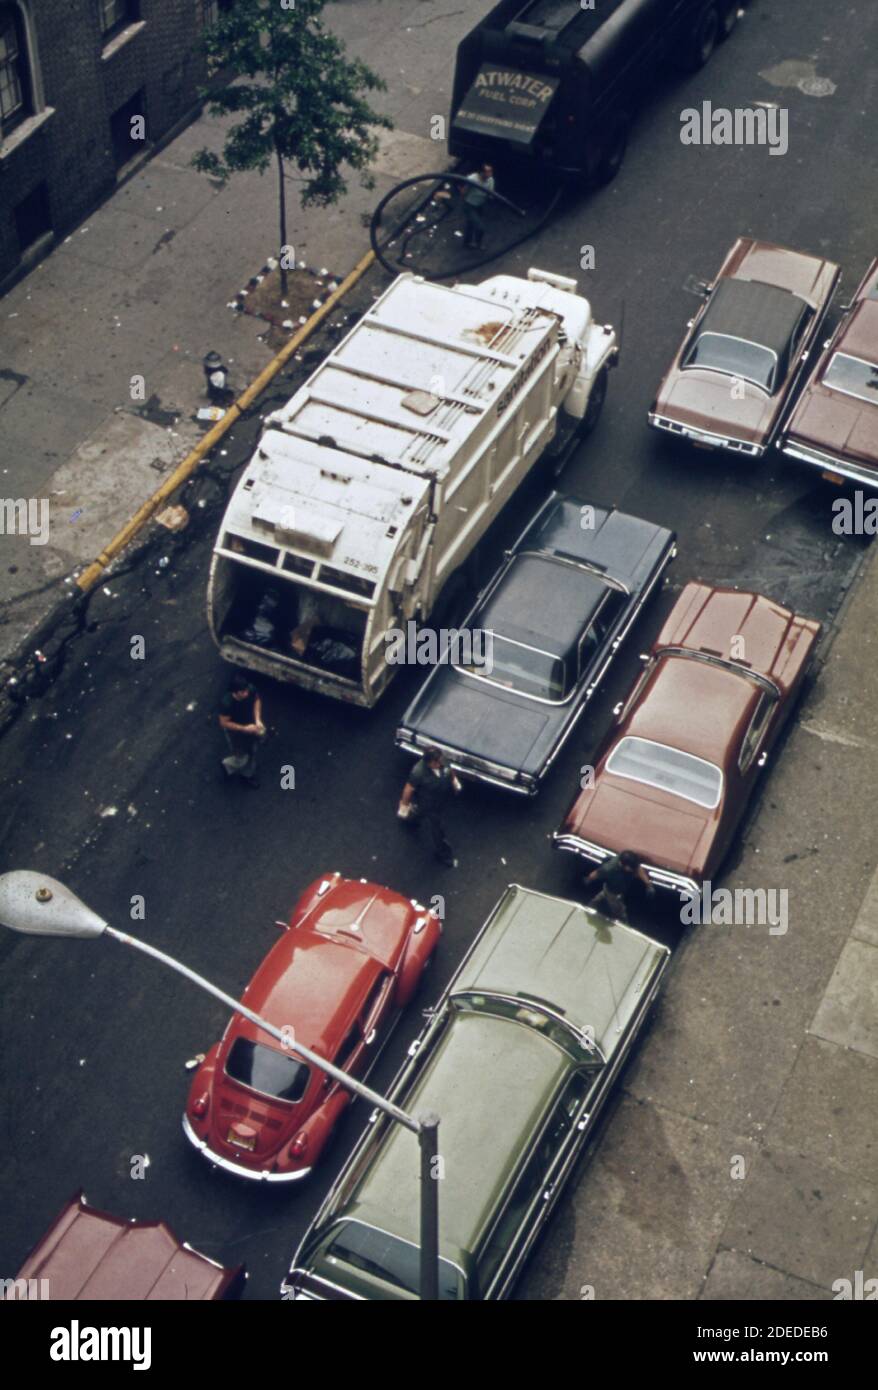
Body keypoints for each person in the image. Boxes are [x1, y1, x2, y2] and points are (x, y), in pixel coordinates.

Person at [398, 747, 462, 867]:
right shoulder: (418, 772)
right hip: (430, 803)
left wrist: (454, 782)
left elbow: (450, 770)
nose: (440, 763)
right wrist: (404, 805)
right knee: (438, 829)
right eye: (437, 762)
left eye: (440, 760)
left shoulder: (442, 760)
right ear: (429, 763)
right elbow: (408, 789)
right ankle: (444, 855)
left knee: (420, 812)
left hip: (440, 798)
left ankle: (411, 820)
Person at [583, 850, 656, 923]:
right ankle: (622, 921)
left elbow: (638, 869)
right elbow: (596, 873)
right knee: (618, 908)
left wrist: (648, 884)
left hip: (620, 886)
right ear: (623, 865)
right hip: (613, 891)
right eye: (631, 868)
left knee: (604, 894)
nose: (633, 869)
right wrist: (589, 879)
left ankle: (593, 903)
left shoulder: (630, 862)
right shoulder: (609, 868)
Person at [218, 674, 265, 787]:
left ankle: (247, 775)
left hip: (251, 726)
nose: (246, 693)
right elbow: (223, 723)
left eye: (246, 690)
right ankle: (227, 765)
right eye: (243, 692)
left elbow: (257, 701)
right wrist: (243, 729)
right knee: (241, 757)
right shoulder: (227, 703)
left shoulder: (250, 689)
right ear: (235, 692)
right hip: (236, 733)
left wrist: (258, 719)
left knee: (252, 751)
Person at [462, 164, 495, 250]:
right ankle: (477, 244)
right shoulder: (472, 179)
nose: (490, 174)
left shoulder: (490, 180)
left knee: (471, 224)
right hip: (469, 206)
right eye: (487, 172)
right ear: (481, 173)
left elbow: (490, 194)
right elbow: (464, 192)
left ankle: (467, 242)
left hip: (479, 206)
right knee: (480, 227)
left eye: (490, 171)